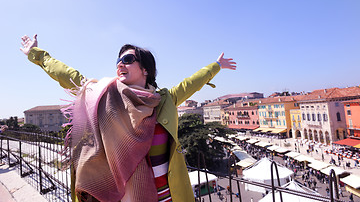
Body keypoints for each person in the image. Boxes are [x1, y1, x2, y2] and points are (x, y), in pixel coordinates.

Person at [20, 34, 237, 202]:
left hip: (169, 196)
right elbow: (69, 75)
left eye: (128, 59)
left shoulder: (164, 100)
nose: (120, 64)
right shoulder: (105, 96)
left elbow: (191, 83)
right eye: (118, 60)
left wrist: (216, 66)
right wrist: (37, 54)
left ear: (145, 70)